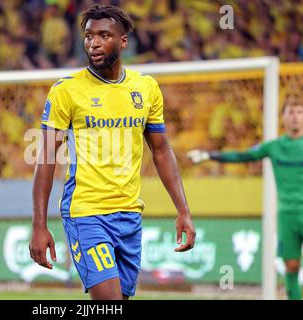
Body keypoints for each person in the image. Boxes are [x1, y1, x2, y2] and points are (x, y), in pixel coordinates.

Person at [29, 4, 196, 300]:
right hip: (86, 213)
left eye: (103, 35)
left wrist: (183, 209)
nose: (93, 42)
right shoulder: (66, 91)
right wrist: (39, 225)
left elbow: (161, 150)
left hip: (130, 213)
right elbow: (45, 158)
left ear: (122, 41)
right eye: (88, 36)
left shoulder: (145, 88)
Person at [188, 95, 303, 300]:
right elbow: (242, 156)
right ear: (283, 117)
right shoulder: (274, 146)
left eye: (300, 112)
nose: (295, 117)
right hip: (287, 215)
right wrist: (210, 156)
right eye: (291, 112)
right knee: (291, 266)